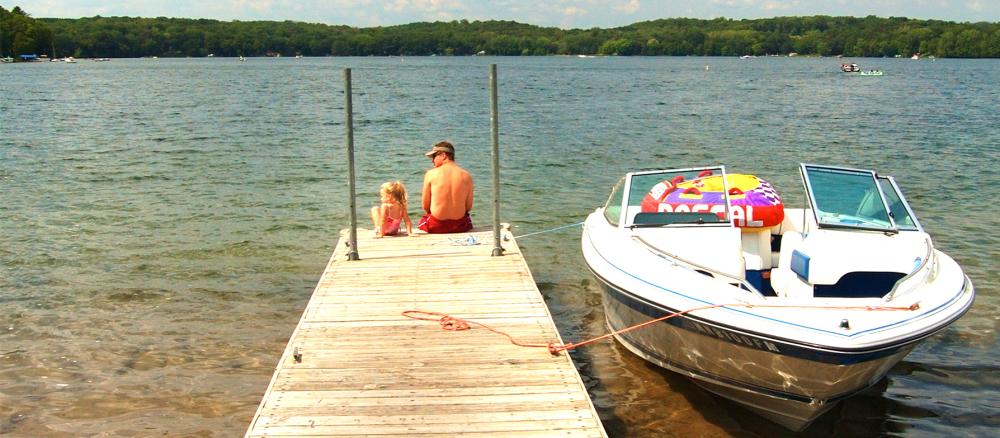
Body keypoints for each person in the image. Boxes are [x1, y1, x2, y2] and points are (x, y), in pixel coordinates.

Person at [418, 141, 474, 233]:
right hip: (460, 226)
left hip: (436, 226)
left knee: (424, 220)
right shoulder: (466, 175)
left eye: (434, 156)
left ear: (443, 155)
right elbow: (468, 207)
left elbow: (426, 206)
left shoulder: (431, 174)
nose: (432, 160)